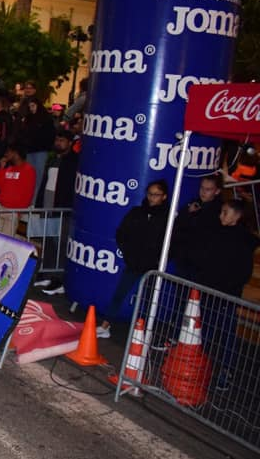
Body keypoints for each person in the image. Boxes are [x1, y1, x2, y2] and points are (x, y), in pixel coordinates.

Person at [183, 199, 259, 387]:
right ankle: (200, 365)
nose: (220, 215)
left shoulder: (242, 241)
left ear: (237, 216)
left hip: (226, 295)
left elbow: (243, 272)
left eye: (225, 212)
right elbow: (203, 257)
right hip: (207, 291)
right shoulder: (216, 233)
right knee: (204, 331)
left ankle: (226, 370)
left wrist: (228, 288)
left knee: (226, 335)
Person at [97, 180, 170, 338]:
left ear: (164, 196)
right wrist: (128, 252)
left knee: (148, 300)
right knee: (120, 294)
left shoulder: (168, 217)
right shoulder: (137, 212)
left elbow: (170, 241)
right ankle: (105, 325)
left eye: (156, 195)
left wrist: (158, 259)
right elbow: (122, 233)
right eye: (150, 194)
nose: (152, 198)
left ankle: (143, 332)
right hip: (134, 262)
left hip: (152, 266)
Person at [33, 130, 79, 294]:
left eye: (62, 140)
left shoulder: (74, 161)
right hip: (47, 206)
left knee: (60, 244)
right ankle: (46, 273)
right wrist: (39, 204)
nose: (58, 142)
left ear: (70, 142)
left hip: (62, 209)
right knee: (48, 243)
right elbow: (44, 182)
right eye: (57, 139)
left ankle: (58, 279)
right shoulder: (52, 160)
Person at [0, 143, 36, 237]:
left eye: (8, 151)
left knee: (5, 242)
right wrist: (1, 168)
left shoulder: (29, 170)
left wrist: (18, 212)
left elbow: (28, 193)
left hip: (12, 212)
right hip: (0, 208)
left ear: (15, 153)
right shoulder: (8, 168)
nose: (6, 154)